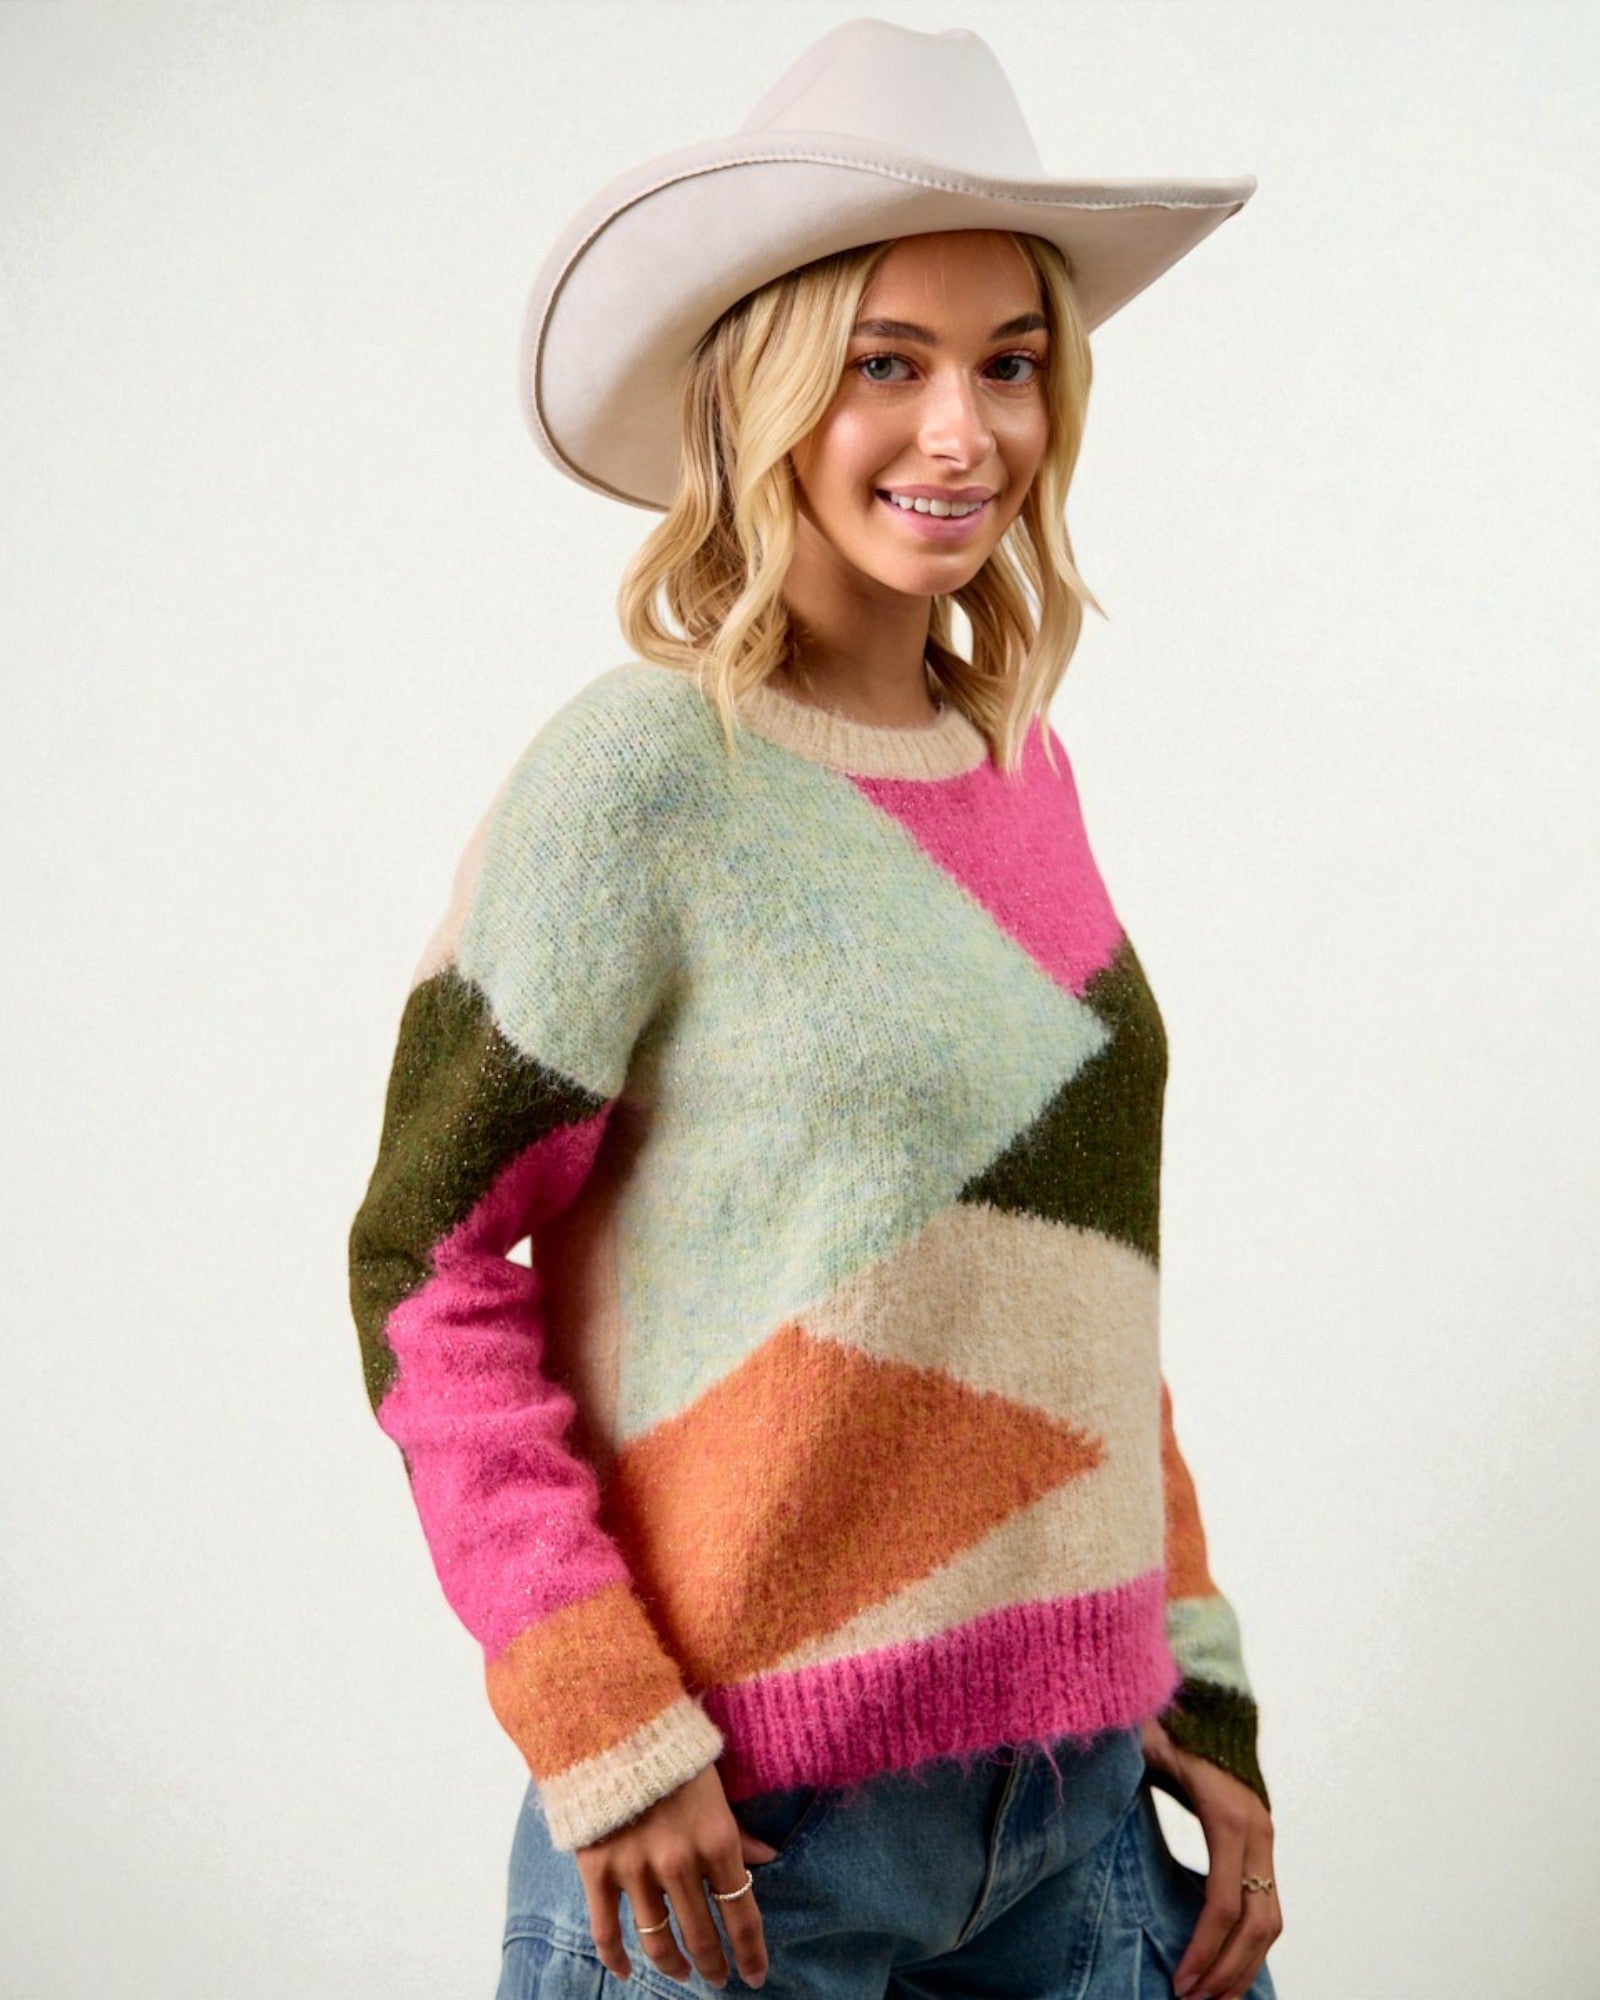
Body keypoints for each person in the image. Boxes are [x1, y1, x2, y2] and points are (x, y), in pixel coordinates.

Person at [347, 19, 1281, 1999]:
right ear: (768, 386)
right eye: (887, 362)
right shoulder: (641, 776)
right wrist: (598, 1723)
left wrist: (1194, 1676)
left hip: (1085, 1825)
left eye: (1006, 364)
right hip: (744, 1853)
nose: (960, 432)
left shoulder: (1020, 769)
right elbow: (425, 1265)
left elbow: (1080, 1290)